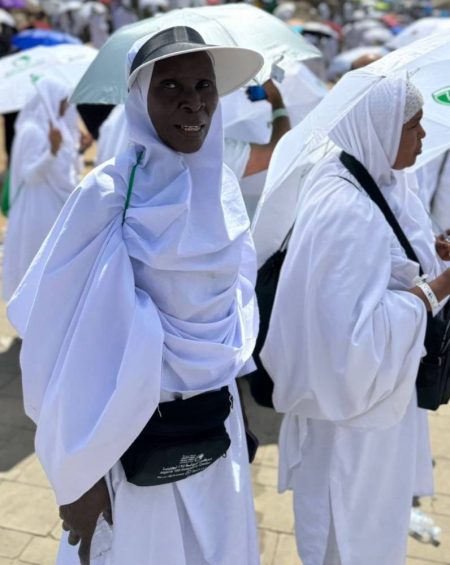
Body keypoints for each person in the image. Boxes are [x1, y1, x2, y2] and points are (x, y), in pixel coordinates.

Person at [7, 26, 263, 565]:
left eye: (203, 85)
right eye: (170, 86)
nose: (192, 102)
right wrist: (77, 477)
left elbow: (232, 316)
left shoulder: (222, 191)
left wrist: (238, 408)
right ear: (140, 99)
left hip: (214, 436)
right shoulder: (107, 194)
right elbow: (59, 344)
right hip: (129, 443)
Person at [259, 75, 450, 564]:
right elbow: (350, 347)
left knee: (375, 529)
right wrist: (439, 287)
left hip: (380, 405)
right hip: (351, 419)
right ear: (379, 128)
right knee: (349, 537)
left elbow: (397, 258)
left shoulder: (377, 179)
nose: (423, 137)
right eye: (413, 126)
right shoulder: (346, 209)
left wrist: (435, 260)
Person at [2, 78, 81, 302]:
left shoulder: (53, 127)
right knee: (35, 262)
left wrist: (76, 149)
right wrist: (52, 152)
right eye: (63, 101)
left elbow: (65, 169)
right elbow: (30, 175)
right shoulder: (32, 131)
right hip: (35, 209)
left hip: (51, 206)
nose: (66, 106)